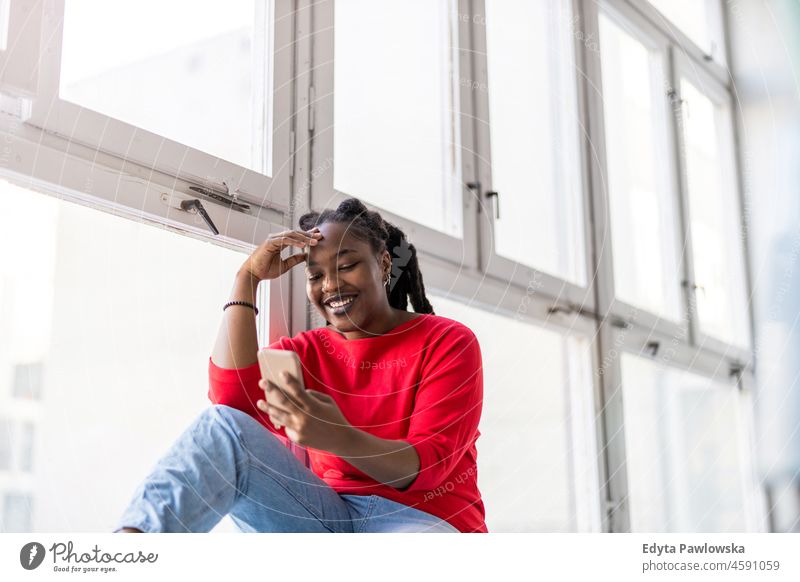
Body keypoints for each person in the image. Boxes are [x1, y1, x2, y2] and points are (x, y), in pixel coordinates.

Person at [114, 197, 487, 533]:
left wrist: (336, 436)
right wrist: (247, 278)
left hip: (424, 521)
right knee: (222, 427)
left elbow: (426, 468)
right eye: (316, 276)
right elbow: (232, 404)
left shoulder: (448, 341)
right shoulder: (307, 351)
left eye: (347, 266)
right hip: (329, 518)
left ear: (384, 262)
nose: (330, 286)